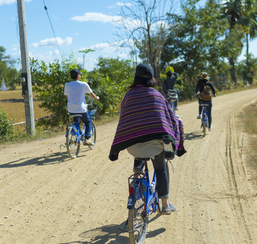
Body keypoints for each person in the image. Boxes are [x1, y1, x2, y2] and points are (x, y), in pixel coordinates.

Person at [109, 64, 187, 215]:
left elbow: (125, 121)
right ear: (152, 79)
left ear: (136, 78)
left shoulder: (128, 96)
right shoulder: (157, 96)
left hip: (132, 146)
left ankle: (137, 179)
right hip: (155, 147)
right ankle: (164, 205)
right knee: (160, 169)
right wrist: (178, 122)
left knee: (137, 141)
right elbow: (170, 117)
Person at [64, 69, 99, 146]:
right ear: (78, 76)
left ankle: (76, 137)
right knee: (88, 121)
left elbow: (67, 97)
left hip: (71, 109)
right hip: (81, 109)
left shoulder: (67, 85)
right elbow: (92, 94)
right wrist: (96, 98)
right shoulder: (83, 84)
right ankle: (87, 138)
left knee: (76, 122)